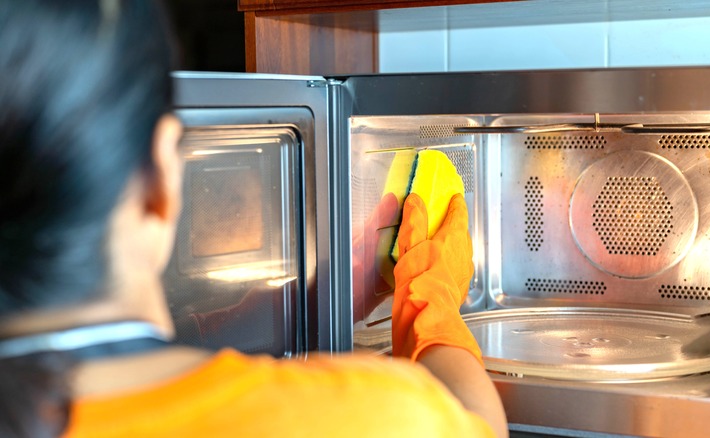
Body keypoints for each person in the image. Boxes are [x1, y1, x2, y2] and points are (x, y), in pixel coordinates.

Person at [0, 0, 508, 437]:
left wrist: (316, 293)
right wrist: (430, 298)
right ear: (159, 181)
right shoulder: (362, 417)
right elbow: (475, 421)